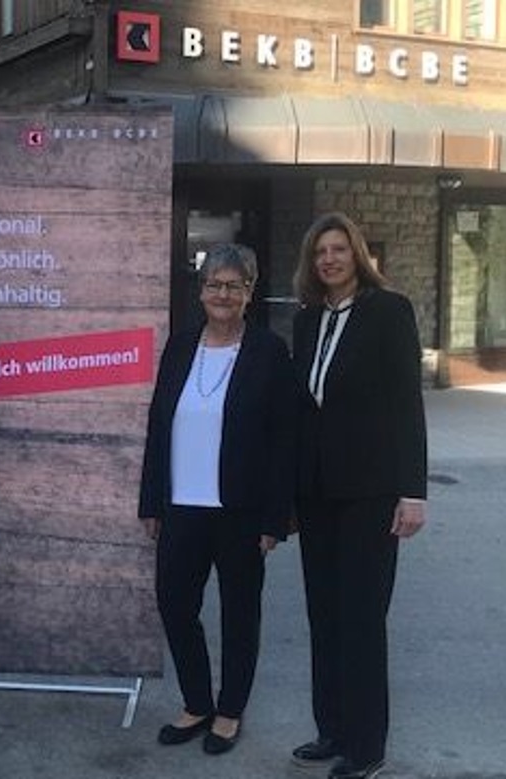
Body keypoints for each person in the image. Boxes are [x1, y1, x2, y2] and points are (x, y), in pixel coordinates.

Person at [138, 243, 295, 756]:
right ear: (201, 291)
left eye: (234, 285)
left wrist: (276, 517)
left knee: (239, 612)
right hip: (181, 505)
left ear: (250, 292)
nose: (222, 294)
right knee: (175, 603)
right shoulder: (180, 347)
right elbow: (158, 425)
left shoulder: (269, 353)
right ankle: (198, 701)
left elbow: (281, 441)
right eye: (213, 285)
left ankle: (230, 710)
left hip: (242, 512)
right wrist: (152, 501)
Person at [288, 213, 427, 779]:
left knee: (362, 617)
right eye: (320, 250)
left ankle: (367, 745)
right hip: (318, 493)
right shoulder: (307, 320)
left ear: (358, 255)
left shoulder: (388, 312)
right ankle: (333, 730)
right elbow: (303, 410)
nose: (329, 259)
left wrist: (412, 492)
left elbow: (406, 405)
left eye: (339, 249)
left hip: (371, 491)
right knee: (324, 614)